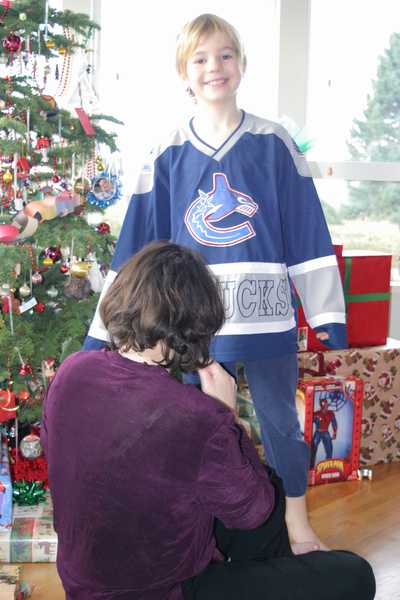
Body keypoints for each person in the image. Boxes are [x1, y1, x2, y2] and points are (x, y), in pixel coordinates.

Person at [83, 14, 348, 553]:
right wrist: (103, 329)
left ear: (242, 64)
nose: (214, 67)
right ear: (184, 72)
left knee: (282, 424)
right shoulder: (166, 150)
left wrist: (326, 313)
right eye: (201, 58)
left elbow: (306, 229)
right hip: (191, 324)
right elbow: (137, 246)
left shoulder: (274, 143)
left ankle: (297, 524)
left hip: (267, 316)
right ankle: (198, 532)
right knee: (192, 426)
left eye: (226, 55)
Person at [42, 241, 375, 600]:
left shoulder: (72, 370)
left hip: (83, 582)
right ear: (195, 323)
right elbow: (254, 512)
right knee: (355, 574)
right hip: (164, 591)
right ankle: (275, 573)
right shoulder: (197, 416)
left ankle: (274, 570)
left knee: (267, 488)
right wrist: (226, 417)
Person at [310, 396, 338, 468]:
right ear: (322, 406)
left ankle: (328, 466)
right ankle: (311, 466)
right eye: (324, 405)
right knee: (313, 449)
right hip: (318, 432)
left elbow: (334, 423)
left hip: (326, 432)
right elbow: (309, 421)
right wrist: (313, 416)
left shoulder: (330, 413)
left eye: (326, 405)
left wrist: (335, 432)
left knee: (329, 449)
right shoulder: (317, 413)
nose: (326, 406)